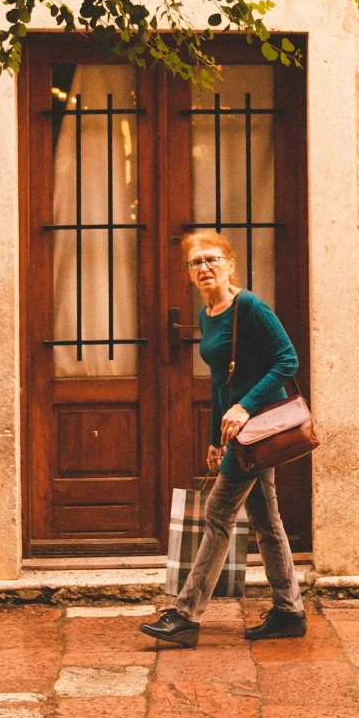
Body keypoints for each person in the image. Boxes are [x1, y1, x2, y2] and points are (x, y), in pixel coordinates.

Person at [141, 230, 307, 647]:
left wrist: (245, 407)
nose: (204, 268)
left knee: (217, 516)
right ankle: (289, 611)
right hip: (238, 433)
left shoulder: (247, 306)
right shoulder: (207, 315)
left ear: (231, 264)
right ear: (189, 273)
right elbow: (221, 382)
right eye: (196, 263)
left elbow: (287, 359)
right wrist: (217, 437)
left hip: (259, 427)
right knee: (268, 523)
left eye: (212, 259)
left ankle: (185, 614)